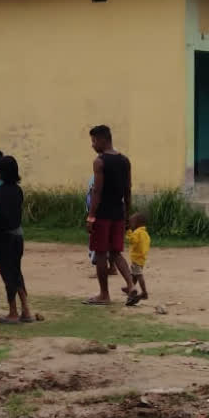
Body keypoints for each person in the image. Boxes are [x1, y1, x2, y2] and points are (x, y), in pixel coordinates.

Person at [84, 124, 135, 305]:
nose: (93, 145)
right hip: (118, 213)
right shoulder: (124, 160)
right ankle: (131, 286)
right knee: (116, 253)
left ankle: (104, 294)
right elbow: (128, 190)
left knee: (100, 254)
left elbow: (97, 191)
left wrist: (91, 216)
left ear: (103, 139)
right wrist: (127, 214)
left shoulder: (100, 162)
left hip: (103, 214)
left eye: (94, 140)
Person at [0, 155, 32, 323]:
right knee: (16, 272)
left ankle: (13, 311)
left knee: (8, 275)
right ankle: (26, 309)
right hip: (18, 235)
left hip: (5, 238)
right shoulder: (17, 190)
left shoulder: (1, 192)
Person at [125, 212, 151, 306]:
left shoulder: (137, 232)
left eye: (131, 223)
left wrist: (128, 232)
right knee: (134, 275)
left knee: (138, 275)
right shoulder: (145, 233)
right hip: (141, 258)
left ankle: (144, 292)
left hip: (136, 258)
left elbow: (133, 240)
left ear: (137, 223)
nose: (130, 225)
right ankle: (130, 287)